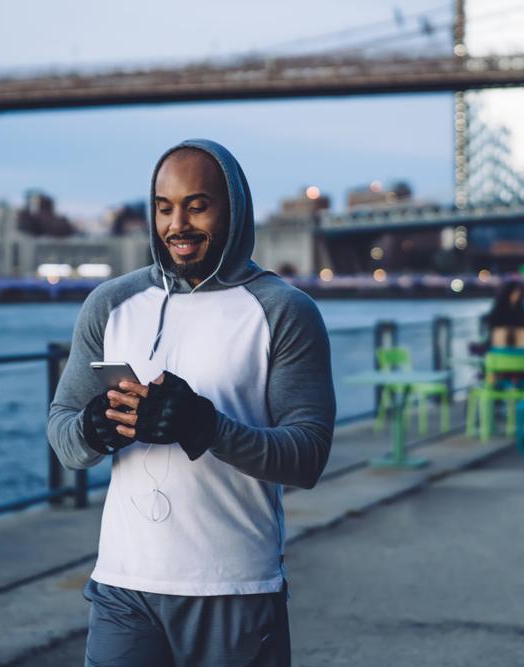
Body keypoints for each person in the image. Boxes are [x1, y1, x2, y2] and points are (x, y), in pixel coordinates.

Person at [46, 139, 336, 667]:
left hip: (235, 588)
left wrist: (205, 425)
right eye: (164, 207)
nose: (177, 224)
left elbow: (308, 456)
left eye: (197, 206)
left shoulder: (284, 311)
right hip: (122, 584)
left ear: (234, 208)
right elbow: (63, 434)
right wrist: (96, 429)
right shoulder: (110, 304)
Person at [486, 280, 524, 347]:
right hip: (499, 341)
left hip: (518, 341)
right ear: (508, 293)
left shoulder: (522, 310)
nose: (517, 296)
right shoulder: (499, 308)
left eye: (519, 293)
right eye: (515, 293)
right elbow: (494, 326)